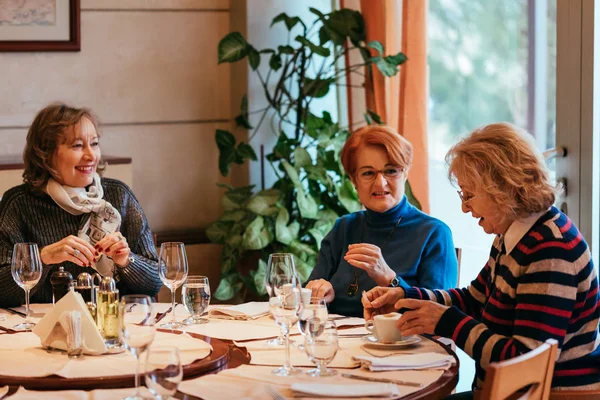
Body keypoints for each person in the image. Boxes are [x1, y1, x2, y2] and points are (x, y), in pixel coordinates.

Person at [363, 122, 600, 394]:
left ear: (503, 187)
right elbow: (474, 299)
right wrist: (403, 296)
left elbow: (524, 362)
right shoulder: (513, 234)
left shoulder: (550, 249)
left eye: (470, 195)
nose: (465, 207)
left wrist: (447, 322)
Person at [0, 103, 162, 307]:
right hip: (42, 330)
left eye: (94, 144)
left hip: (113, 324)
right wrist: (42, 258)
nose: (91, 155)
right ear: (46, 154)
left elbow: (156, 282)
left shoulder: (119, 196)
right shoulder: (19, 204)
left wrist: (126, 261)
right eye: (77, 145)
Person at [306, 125, 458, 317]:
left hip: (402, 345)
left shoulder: (434, 233)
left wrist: (389, 278)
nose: (380, 183)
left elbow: (440, 313)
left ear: (405, 173)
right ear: (354, 180)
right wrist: (319, 292)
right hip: (336, 340)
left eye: (391, 171)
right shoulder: (343, 228)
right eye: (368, 173)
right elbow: (307, 297)